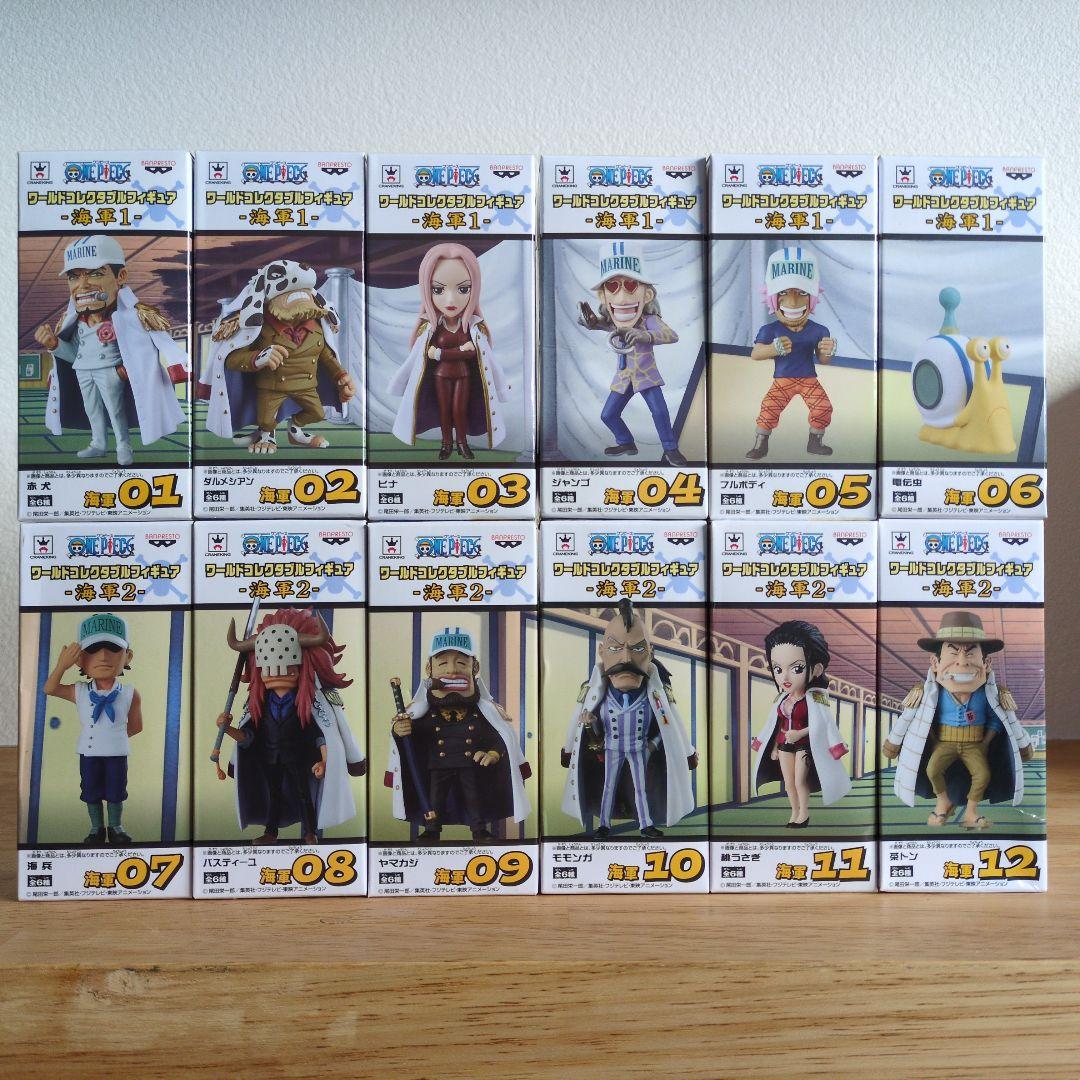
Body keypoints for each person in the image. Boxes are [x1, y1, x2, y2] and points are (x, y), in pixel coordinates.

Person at [216, 609, 366, 844]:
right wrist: (227, 729)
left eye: (287, 667)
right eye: (269, 668)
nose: (277, 673)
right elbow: (249, 736)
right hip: (270, 757)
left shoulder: (310, 703)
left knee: (304, 794)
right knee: (273, 794)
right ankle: (271, 832)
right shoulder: (259, 705)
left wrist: (324, 760)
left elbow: (320, 735)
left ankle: (309, 832)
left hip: (298, 758)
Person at [34, 234, 187, 466]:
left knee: (115, 410)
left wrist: (125, 371)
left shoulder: (136, 316)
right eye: (74, 277)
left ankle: (123, 446)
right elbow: (75, 355)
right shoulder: (73, 321)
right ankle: (98, 443)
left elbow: (162, 343)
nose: (83, 285)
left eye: (95, 273)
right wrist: (55, 345)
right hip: (83, 371)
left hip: (110, 371)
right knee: (91, 408)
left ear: (120, 276)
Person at [882, 611, 1034, 830]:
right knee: (932, 770)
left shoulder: (992, 695)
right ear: (935, 663)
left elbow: (1001, 720)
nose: (962, 662)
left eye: (970, 654)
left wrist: (986, 743)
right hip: (945, 743)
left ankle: (971, 812)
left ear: (986, 663)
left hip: (974, 744)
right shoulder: (926, 694)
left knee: (983, 774)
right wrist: (901, 743)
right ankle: (943, 801)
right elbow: (915, 718)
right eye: (953, 653)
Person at [561, 599, 697, 838]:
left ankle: (645, 824)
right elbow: (583, 725)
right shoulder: (593, 693)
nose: (626, 658)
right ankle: (604, 825)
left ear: (650, 653)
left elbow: (670, 724)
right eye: (615, 649)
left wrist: (661, 747)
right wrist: (587, 726)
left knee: (641, 788)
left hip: (638, 748)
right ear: (602, 652)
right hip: (612, 747)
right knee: (608, 786)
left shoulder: (657, 695)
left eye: (637, 649)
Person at [387, 627, 530, 841]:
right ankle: (432, 829)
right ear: (429, 669)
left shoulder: (486, 712)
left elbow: (499, 738)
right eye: (442, 663)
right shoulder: (420, 712)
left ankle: (479, 829)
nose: (452, 671)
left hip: (469, 764)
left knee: (474, 797)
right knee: (435, 798)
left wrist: (493, 753)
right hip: (438, 764)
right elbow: (413, 742)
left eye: (462, 663)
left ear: (475, 668)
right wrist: (400, 731)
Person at [201, 260, 357, 454]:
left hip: (306, 385)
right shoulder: (258, 327)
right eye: (290, 293)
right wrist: (259, 357)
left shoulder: (317, 326)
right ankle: (267, 436)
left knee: (317, 413)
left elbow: (325, 355)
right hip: (271, 386)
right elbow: (232, 360)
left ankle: (295, 431)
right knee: (266, 420)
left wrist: (341, 375)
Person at [388, 243, 509, 460]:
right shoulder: (430, 328)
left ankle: (462, 443)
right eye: (438, 290)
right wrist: (459, 351)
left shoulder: (473, 327)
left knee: (460, 410)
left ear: (474, 289)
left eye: (463, 289)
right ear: (427, 290)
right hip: (440, 376)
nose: (451, 300)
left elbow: (477, 355)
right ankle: (446, 444)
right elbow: (422, 356)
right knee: (444, 410)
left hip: (463, 375)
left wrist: (441, 354)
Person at [578, 240, 687, 466]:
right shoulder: (616, 322)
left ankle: (671, 449)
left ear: (647, 295)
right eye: (612, 287)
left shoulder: (649, 320)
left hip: (646, 376)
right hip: (624, 377)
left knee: (659, 413)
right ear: (603, 297)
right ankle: (626, 442)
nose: (621, 297)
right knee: (608, 415)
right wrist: (591, 322)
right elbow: (606, 326)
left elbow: (672, 335)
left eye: (630, 286)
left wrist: (645, 336)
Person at [43, 614, 143, 846]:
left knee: (117, 790)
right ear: (80, 659)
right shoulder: (79, 691)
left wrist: (113, 738)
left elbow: (137, 726)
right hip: (89, 752)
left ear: (127, 656)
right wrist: (61, 666)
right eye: (93, 649)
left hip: (117, 753)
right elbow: (49, 689)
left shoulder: (130, 693)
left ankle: (116, 827)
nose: (103, 656)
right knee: (91, 790)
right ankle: (96, 828)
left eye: (113, 649)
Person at [750, 620, 851, 828]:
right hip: (784, 744)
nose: (784, 677)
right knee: (788, 782)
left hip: (804, 745)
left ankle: (804, 813)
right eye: (778, 669)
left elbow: (824, 724)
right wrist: (774, 746)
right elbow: (775, 724)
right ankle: (794, 811)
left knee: (799, 781)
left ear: (816, 669)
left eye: (796, 668)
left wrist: (799, 733)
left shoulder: (816, 698)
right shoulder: (781, 699)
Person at [745, 246, 837, 460]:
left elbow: (824, 360)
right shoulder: (770, 329)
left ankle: (815, 442)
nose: (793, 302)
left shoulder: (819, 330)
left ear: (812, 297)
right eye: (783, 293)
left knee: (823, 407)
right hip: (782, 380)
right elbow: (756, 354)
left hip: (808, 379)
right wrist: (772, 349)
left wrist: (828, 351)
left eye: (802, 293)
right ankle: (760, 444)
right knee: (769, 408)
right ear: (772, 297)